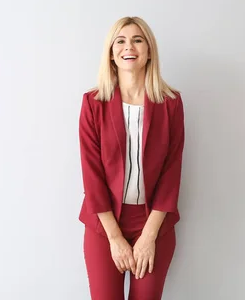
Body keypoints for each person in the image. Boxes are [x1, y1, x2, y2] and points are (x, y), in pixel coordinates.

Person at [78, 16, 185, 300]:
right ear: (112, 53)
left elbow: (172, 171)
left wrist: (149, 236)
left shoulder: (170, 103)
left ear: (149, 50)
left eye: (138, 40)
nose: (130, 47)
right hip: (104, 224)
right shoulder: (93, 103)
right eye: (121, 41)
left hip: (154, 224)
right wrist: (114, 238)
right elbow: (92, 175)